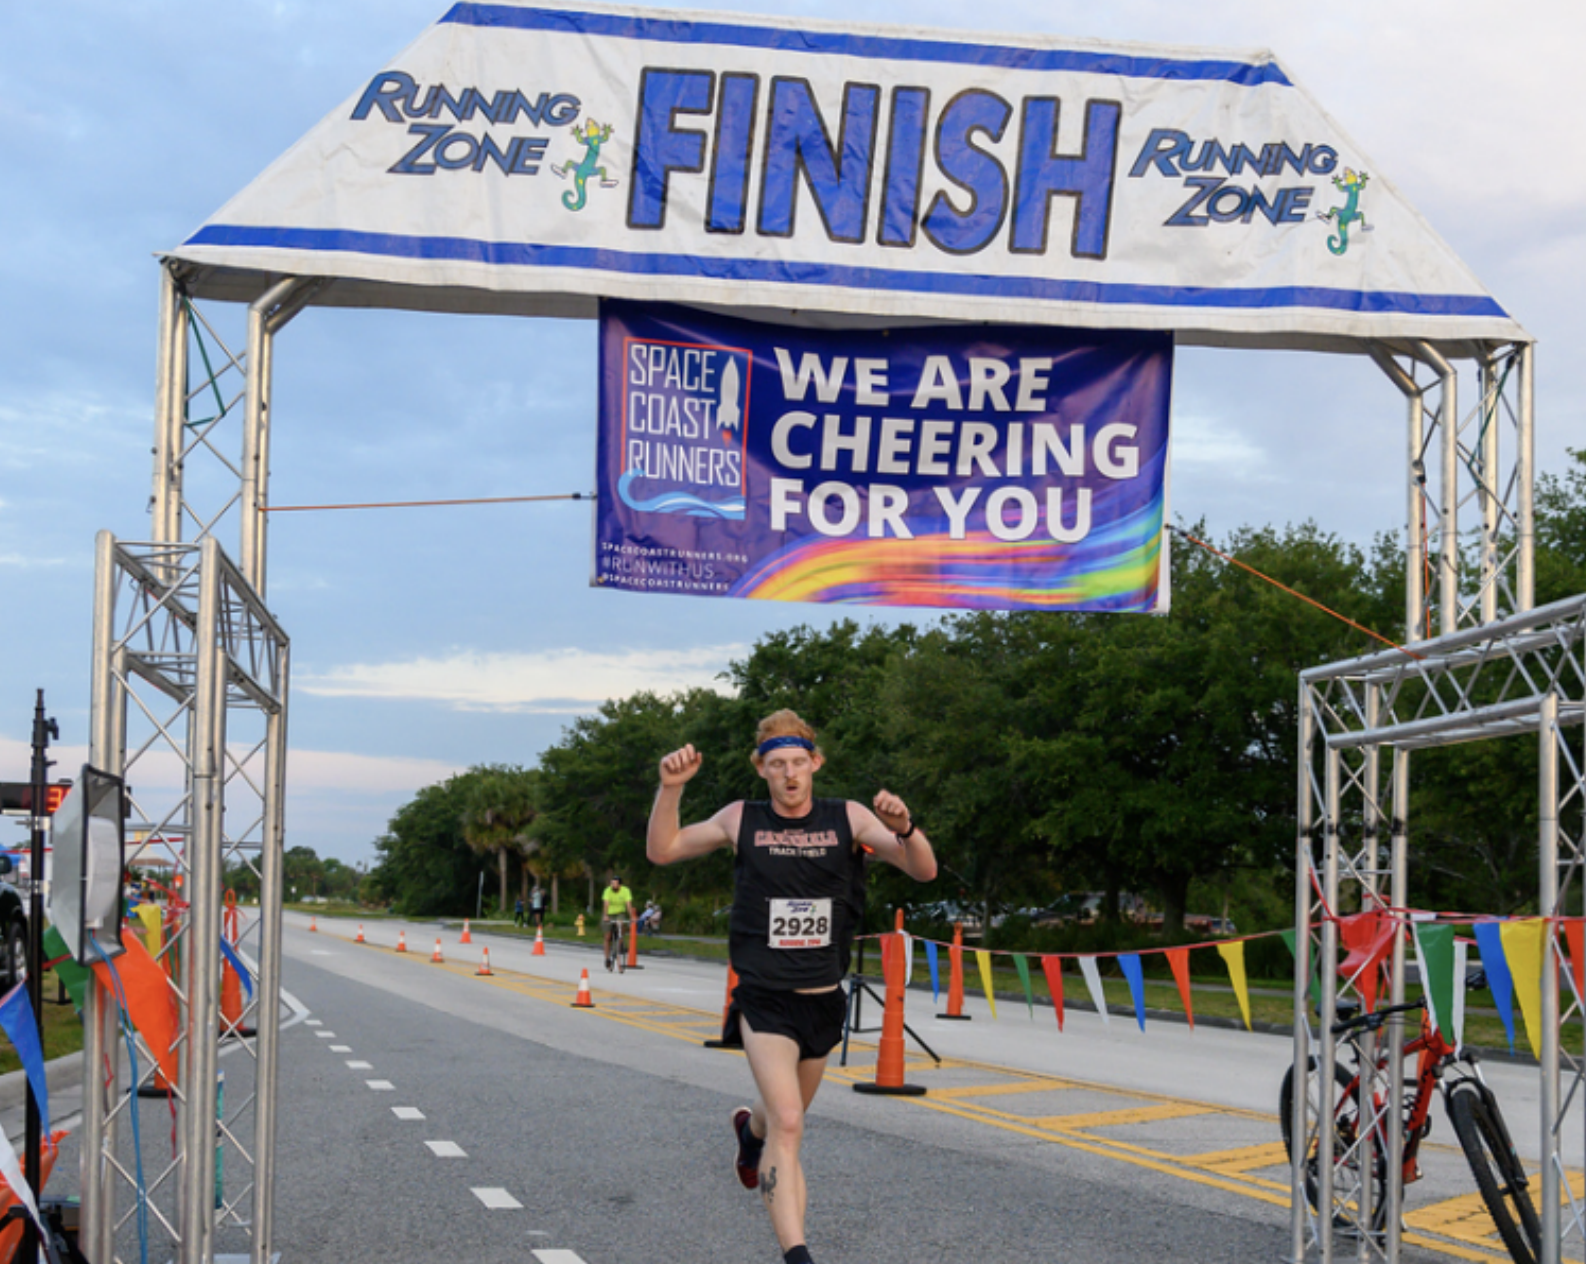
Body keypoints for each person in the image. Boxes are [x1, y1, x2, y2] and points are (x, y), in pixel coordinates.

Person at [647, 710, 936, 1264]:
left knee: (776, 1117)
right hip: (765, 997)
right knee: (791, 1122)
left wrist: (905, 828)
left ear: (816, 763)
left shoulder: (848, 818)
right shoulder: (741, 819)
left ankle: (748, 1132)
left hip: (823, 998)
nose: (789, 773)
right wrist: (669, 790)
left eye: (798, 762)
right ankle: (798, 1255)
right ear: (761, 769)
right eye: (776, 764)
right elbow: (663, 850)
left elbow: (922, 870)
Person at [600, 875, 635, 970]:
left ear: (620, 885)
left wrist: (631, 917)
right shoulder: (608, 890)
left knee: (621, 926)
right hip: (609, 913)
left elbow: (628, 904)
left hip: (620, 913)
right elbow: (606, 903)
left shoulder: (625, 891)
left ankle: (619, 942)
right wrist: (605, 915)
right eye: (612, 883)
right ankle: (607, 958)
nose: (612, 885)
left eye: (614, 884)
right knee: (607, 937)